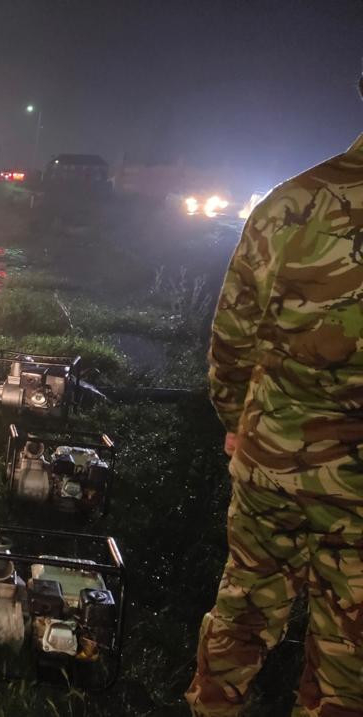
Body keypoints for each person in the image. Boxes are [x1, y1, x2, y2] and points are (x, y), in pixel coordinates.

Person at [186, 80, 363, 716]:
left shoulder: (291, 203)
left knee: (244, 610)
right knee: (351, 648)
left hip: (271, 461)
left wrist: (238, 420)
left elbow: (232, 337)